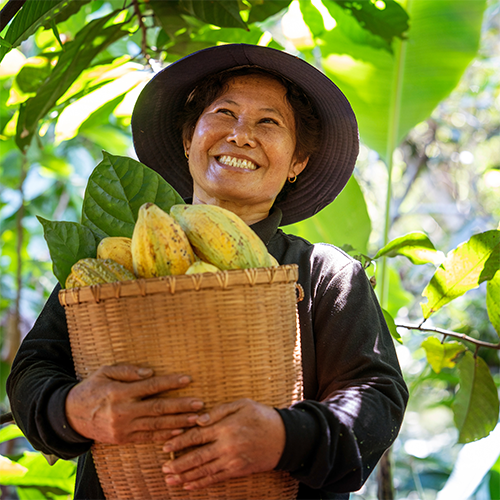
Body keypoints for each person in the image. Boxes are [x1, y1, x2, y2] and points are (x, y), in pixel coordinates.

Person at [7, 44, 408, 499]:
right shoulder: (115, 263)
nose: (240, 135)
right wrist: (75, 411)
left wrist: (283, 437)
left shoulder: (324, 275)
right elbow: (32, 372)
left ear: (298, 162)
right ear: (188, 139)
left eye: (268, 122)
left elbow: (376, 400)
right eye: (224, 113)